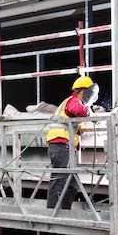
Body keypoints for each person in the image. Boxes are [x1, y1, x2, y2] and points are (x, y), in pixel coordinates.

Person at [46, 76, 99, 209]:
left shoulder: (71, 103)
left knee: (72, 185)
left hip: (64, 147)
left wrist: (79, 130)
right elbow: (78, 110)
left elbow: (71, 121)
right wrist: (90, 113)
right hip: (60, 145)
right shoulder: (73, 101)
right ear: (83, 92)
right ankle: (52, 212)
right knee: (58, 180)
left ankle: (64, 211)